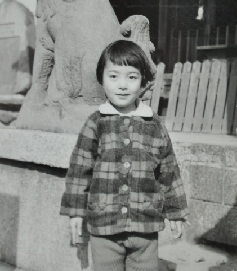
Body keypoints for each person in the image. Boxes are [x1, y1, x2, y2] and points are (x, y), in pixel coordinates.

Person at [60, 40, 189, 271]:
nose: (122, 85)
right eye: (114, 76)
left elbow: (169, 172)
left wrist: (176, 212)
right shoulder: (96, 123)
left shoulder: (155, 125)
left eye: (131, 77)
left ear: (142, 82)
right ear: (101, 79)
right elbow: (79, 170)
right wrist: (75, 213)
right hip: (104, 226)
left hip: (145, 227)